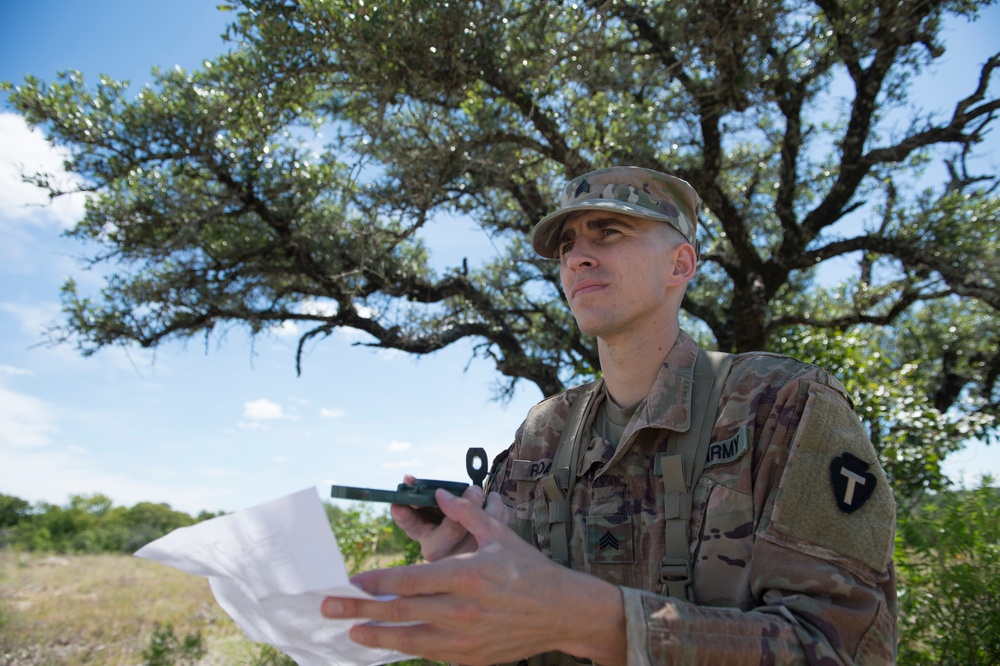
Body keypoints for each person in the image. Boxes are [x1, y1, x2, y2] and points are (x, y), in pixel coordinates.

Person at [320, 167, 898, 664]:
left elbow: (841, 650)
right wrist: (466, 565)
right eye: (567, 245)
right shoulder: (544, 433)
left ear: (680, 264)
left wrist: (597, 622)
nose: (578, 257)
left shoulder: (780, 405)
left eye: (610, 231)